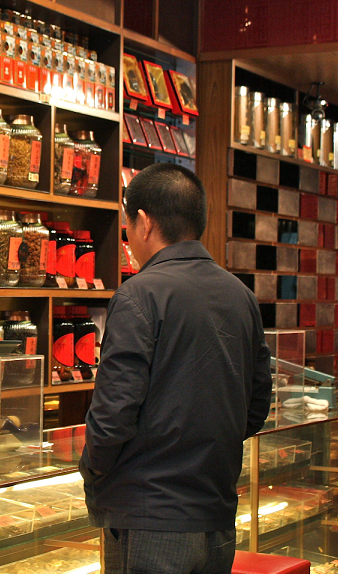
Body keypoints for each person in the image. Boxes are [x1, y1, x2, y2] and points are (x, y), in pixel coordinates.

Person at [80, 163, 272, 574]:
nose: (129, 237)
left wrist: (93, 467)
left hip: (151, 518)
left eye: (128, 224)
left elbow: (113, 415)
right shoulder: (241, 296)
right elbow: (256, 407)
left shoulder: (139, 294)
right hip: (217, 514)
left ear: (144, 222)